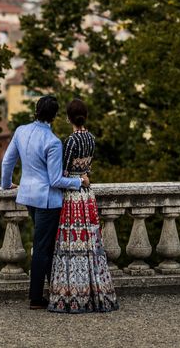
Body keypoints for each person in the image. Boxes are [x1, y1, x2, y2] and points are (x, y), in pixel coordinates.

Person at [1, 95, 90, 310]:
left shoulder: (21, 131)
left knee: (44, 246)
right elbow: (55, 180)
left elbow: (7, 161)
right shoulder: (53, 142)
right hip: (47, 200)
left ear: (36, 111)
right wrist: (80, 181)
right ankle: (36, 298)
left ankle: (53, 290)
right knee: (44, 247)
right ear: (55, 116)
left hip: (28, 197)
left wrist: (6, 185)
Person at [48, 98, 119, 313]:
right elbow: (89, 168)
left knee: (73, 244)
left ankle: (73, 292)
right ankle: (94, 290)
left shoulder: (71, 141)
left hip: (73, 196)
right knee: (90, 244)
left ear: (68, 117)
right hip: (87, 195)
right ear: (85, 116)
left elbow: (64, 172)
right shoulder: (91, 138)